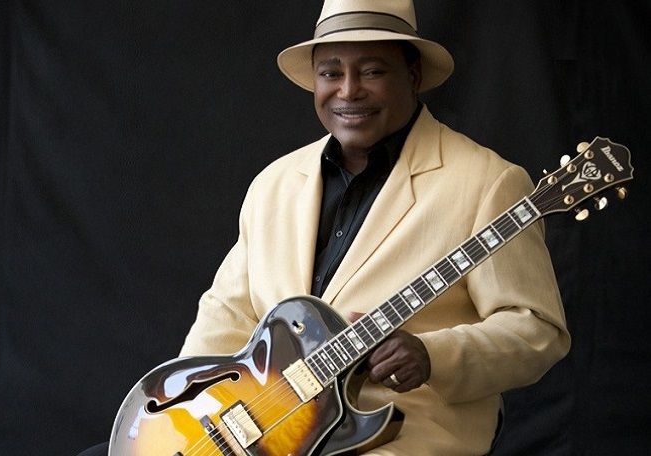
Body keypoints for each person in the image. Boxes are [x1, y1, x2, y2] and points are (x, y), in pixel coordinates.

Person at [82, 1, 570, 455]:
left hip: (399, 435)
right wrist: (193, 417)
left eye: (372, 71)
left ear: (413, 75)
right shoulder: (275, 183)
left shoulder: (486, 182)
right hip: (264, 428)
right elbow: (227, 311)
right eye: (331, 73)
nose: (349, 90)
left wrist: (432, 354)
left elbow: (535, 329)